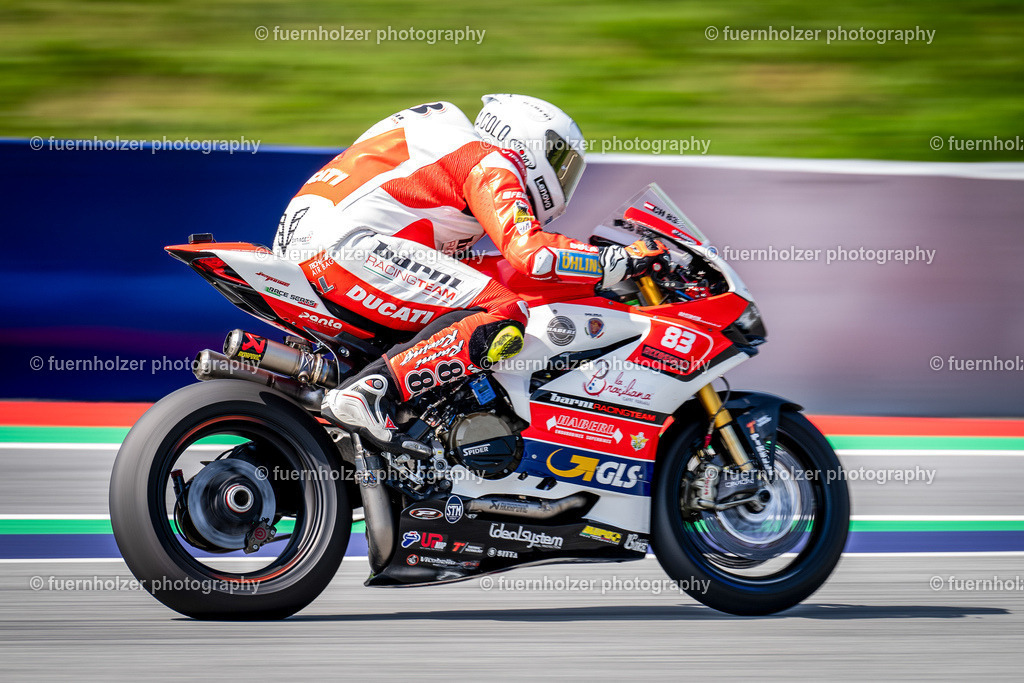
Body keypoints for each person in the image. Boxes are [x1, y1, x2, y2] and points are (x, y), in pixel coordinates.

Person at [273, 94, 667, 448]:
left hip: (319, 241)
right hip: (347, 247)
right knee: (504, 314)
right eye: (560, 161)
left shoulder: (443, 142)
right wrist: (614, 261)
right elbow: (532, 254)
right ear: (530, 144)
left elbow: (486, 271)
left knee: (475, 305)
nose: (564, 177)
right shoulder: (492, 161)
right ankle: (372, 391)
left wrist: (578, 279)